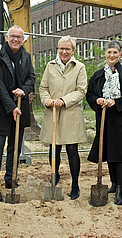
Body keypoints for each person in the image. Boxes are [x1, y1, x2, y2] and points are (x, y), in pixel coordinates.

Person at [86, 40, 122, 205]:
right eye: (109, 52)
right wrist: (98, 100)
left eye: (115, 52)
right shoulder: (98, 75)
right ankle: (114, 184)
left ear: (120, 55)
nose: (112, 55)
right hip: (105, 119)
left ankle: (120, 189)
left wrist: (117, 101)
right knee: (109, 152)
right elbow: (90, 95)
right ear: (105, 54)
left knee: (121, 154)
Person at [0, 25, 35, 202]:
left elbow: (32, 77)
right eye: (13, 36)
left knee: (14, 147)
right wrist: (11, 106)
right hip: (2, 109)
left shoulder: (26, 56)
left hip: (20, 107)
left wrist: (23, 90)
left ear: (23, 39)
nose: (16, 39)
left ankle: (10, 179)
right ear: (7, 38)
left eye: (19, 37)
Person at [39, 35, 87, 200]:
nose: (64, 51)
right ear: (57, 49)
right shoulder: (50, 65)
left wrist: (63, 101)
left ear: (73, 50)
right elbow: (43, 86)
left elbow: (81, 90)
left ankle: (75, 184)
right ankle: (55, 176)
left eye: (67, 48)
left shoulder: (79, 67)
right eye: (61, 48)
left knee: (72, 150)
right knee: (54, 149)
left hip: (70, 113)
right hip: (52, 112)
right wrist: (46, 99)